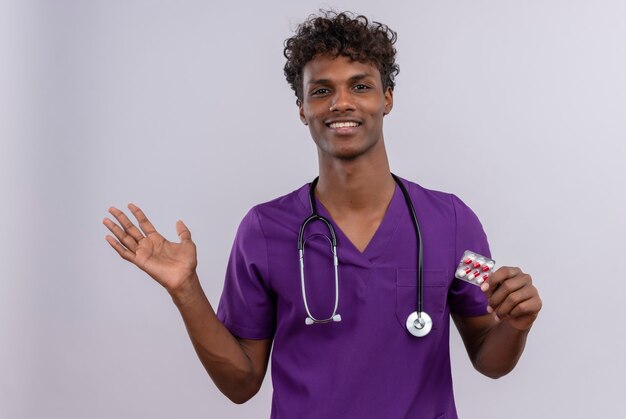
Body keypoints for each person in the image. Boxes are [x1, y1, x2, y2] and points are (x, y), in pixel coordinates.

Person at [103, 10, 542, 419]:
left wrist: (515, 325)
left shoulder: (450, 220)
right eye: (321, 90)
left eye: (361, 86)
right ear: (302, 109)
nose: (341, 103)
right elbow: (240, 383)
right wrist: (186, 289)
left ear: (387, 99)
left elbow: (489, 357)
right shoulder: (264, 230)